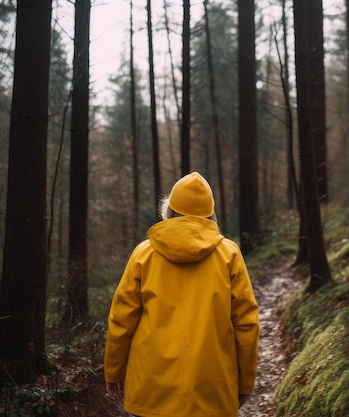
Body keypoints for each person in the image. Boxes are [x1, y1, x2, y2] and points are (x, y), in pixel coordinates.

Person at [104, 172, 260, 417]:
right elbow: (247, 324)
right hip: (212, 386)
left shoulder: (143, 254)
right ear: (210, 213)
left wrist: (113, 371)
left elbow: (121, 319)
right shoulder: (229, 255)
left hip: (150, 386)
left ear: (170, 210)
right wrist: (246, 381)